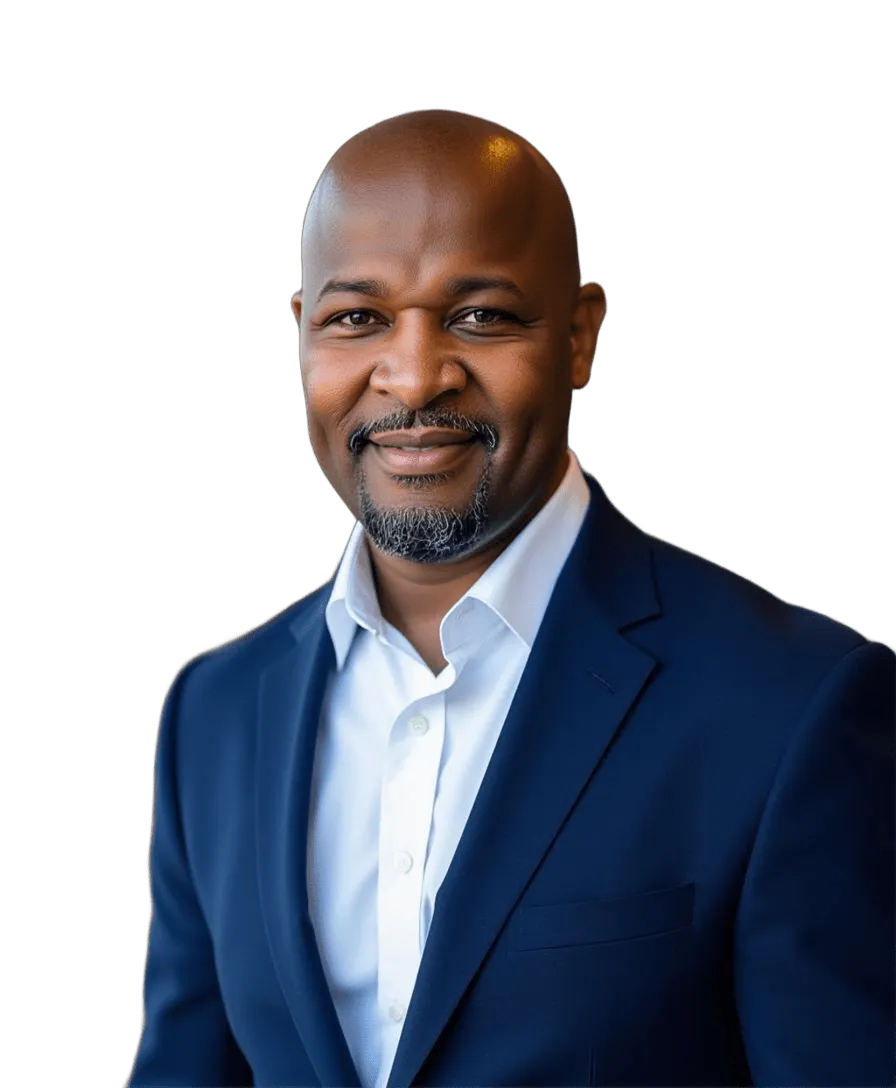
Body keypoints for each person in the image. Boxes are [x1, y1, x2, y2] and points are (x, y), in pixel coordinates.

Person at [125, 108, 896, 1088]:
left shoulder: (792, 709)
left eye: (480, 316)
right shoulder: (215, 714)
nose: (413, 378)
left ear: (578, 337)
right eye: (357, 318)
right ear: (303, 337)